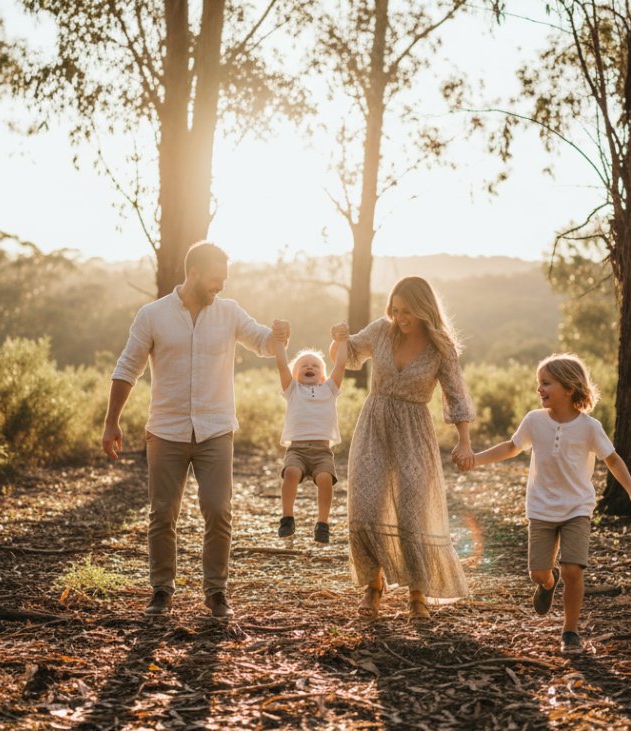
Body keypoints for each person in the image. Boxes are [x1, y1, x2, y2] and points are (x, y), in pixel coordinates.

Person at [101, 241, 289, 620]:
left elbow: (261, 341)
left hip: (216, 430)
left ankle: (216, 592)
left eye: (224, 279)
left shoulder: (230, 313)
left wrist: (278, 336)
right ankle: (161, 590)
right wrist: (111, 421)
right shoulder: (152, 315)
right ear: (194, 273)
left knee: (219, 510)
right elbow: (127, 368)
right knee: (162, 513)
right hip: (166, 430)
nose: (220, 285)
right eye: (216, 278)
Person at [465, 353, 631, 653]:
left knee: (572, 570)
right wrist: (476, 459)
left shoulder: (589, 427)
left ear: (568, 387)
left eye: (546, 383)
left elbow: (612, 459)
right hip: (541, 508)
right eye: (539, 383)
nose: (539, 388)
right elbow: (512, 448)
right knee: (539, 573)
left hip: (577, 508)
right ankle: (547, 585)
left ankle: (570, 631)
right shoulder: (534, 421)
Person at [333, 276, 475, 621]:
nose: (400, 318)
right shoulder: (382, 330)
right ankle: (373, 584)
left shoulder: (441, 348)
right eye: (395, 310)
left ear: (423, 309)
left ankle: (417, 593)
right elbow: (349, 354)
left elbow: (456, 395)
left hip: (414, 430)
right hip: (374, 424)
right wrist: (338, 339)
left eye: (406, 311)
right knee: (367, 506)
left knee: (412, 511)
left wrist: (465, 440)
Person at [270, 333, 348, 544]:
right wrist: (279, 344)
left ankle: (322, 524)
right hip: (296, 449)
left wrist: (342, 341)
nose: (309, 367)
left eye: (315, 365)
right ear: (295, 374)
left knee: (325, 479)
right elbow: (282, 366)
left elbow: (340, 366)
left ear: (323, 375)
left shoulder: (329, 389)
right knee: (291, 472)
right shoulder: (292, 390)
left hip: (322, 451)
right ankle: (287, 518)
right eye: (304, 365)